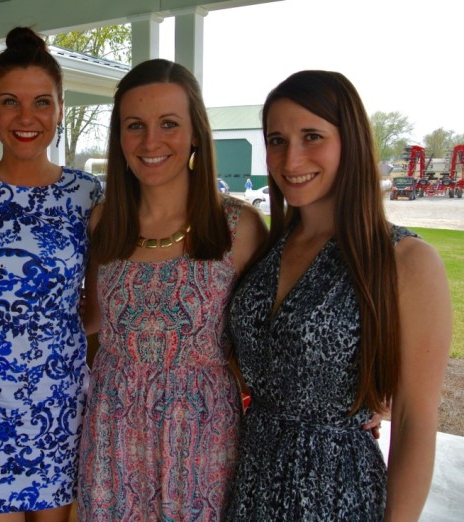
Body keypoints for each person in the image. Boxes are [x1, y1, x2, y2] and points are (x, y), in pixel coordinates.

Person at [227, 70, 452, 520]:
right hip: (249, 483)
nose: (291, 158)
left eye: (312, 136)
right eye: (276, 140)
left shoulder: (404, 260)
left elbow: (415, 421)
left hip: (337, 495)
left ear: (350, 141)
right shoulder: (265, 251)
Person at [76, 59, 268, 521]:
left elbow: (270, 342)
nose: (150, 142)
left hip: (202, 438)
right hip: (113, 433)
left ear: (196, 132)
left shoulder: (238, 228)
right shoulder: (103, 221)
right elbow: (92, 320)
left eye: (168, 124)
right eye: (135, 126)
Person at [0, 27, 102, 521]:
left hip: (61, 401)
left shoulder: (87, 194)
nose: (26, 118)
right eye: (10, 102)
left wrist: (50, 339)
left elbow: (100, 304)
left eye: (42, 102)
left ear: (60, 108)